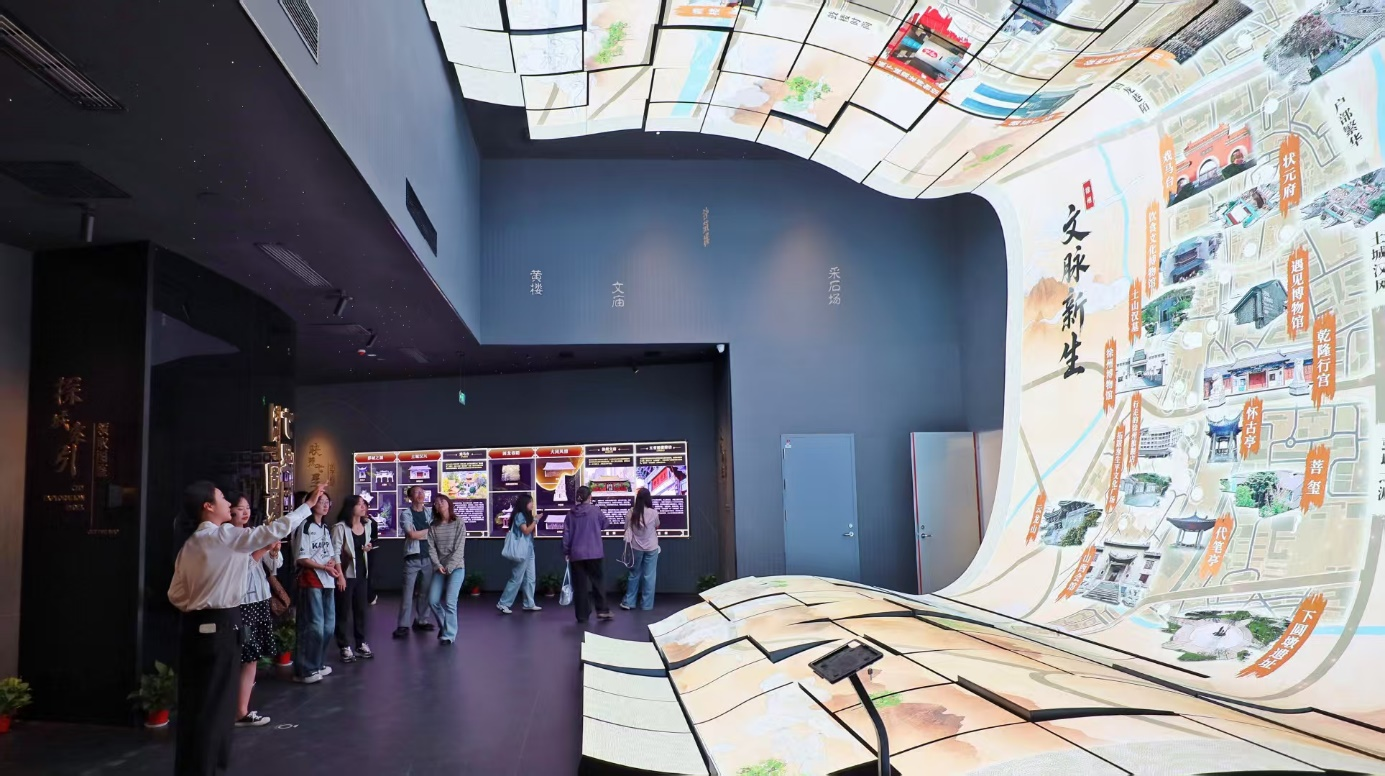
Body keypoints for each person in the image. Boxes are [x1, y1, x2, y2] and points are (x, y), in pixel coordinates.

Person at [168, 482, 324, 776]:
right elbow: (274, 530)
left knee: (195, 705)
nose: (229, 503)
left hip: (192, 630)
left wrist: (202, 602)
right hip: (223, 627)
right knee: (217, 707)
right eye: (222, 498)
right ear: (208, 507)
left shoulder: (190, 544)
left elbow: (176, 595)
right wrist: (307, 506)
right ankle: (207, 768)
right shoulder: (225, 535)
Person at [225, 492, 280, 728]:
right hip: (242, 602)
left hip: (260, 599)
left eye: (247, 507)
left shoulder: (252, 533)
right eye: (240, 508)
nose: (245, 512)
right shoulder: (226, 538)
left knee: (252, 657)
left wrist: (273, 551)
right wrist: (262, 550)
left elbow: (274, 567)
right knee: (244, 655)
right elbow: (240, 571)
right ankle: (238, 711)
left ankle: (241, 709)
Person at [293, 490, 342, 684]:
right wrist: (323, 567)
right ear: (311, 503)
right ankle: (305, 669)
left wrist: (331, 563)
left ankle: (318, 663)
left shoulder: (325, 527)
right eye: (321, 501)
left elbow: (330, 553)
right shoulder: (305, 526)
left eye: (328, 501)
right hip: (311, 579)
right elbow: (301, 558)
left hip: (327, 580)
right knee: (314, 626)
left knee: (328, 626)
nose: (325, 505)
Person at [331, 495, 374, 663]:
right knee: (343, 610)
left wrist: (367, 547)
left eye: (364, 504)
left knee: (361, 610)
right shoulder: (340, 528)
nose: (363, 507)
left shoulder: (367, 525)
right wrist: (340, 576)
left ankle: (360, 643)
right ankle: (344, 645)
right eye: (359, 504)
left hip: (362, 573)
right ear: (351, 508)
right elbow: (335, 553)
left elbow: (366, 543)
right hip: (346, 574)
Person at [563, 486, 612, 623]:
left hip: (576, 554)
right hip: (594, 552)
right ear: (590, 497)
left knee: (580, 585)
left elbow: (566, 535)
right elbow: (605, 524)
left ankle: (582, 615)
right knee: (598, 582)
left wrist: (566, 551)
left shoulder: (570, 514)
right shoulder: (595, 511)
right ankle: (602, 611)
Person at [394, 486, 436, 638]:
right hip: (412, 557)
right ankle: (403, 625)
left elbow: (436, 531)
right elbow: (411, 534)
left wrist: (421, 533)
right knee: (407, 593)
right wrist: (429, 531)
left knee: (426, 591)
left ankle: (421, 620)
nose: (421, 494)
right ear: (410, 497)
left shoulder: (430, 512)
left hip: (429, 557)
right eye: (417, 492)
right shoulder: (406, 513)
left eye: (422, 492)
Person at [427, 493, 467, 644]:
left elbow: (460, 548)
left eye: (442, 501)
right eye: (436, 502)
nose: (439, 503)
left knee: (450, 602)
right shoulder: (433, 526)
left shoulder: (458, 523)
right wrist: (438, 565)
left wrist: (450, 567)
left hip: (456, 567)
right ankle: (445, 626)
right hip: (439, 568)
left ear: (448, 503)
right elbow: (431, 549)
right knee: (432, 600)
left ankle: (449, 635)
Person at [497, 493, 541, 615]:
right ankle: (503, 603)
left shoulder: (525, 515)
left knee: (530, 578)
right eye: (530, 502)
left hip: (529, 549)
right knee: (516, 578)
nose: (532, 504)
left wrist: (533, 520)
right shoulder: (519, 515)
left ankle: (529, 603)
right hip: (522, 550)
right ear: (524, 503)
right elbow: (526, 531)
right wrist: (536, 520)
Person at [620, 487, 661, 611]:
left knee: (634, 574)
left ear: (637, 499)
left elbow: (626, 528)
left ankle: (629, 602)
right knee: (649, 576)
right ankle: (647, 605)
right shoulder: (653, 513)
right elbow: (657, 526)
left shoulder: (631, 512)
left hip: (636, 547)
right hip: (652, 547)